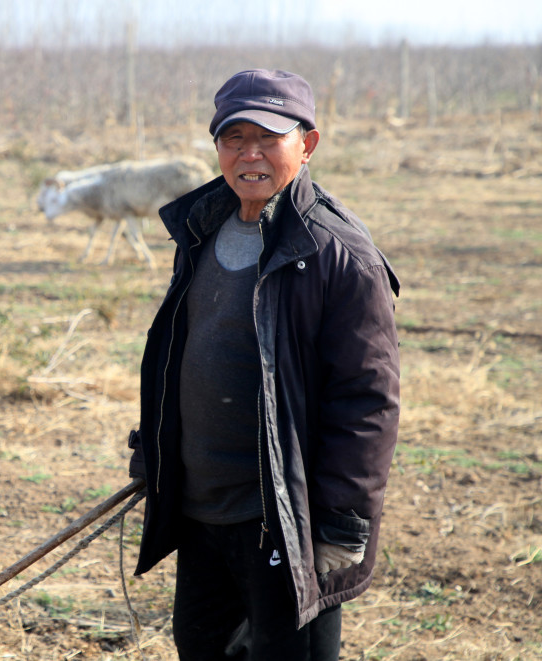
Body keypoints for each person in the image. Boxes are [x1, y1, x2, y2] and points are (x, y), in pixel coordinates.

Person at [126, 69, 401, 660]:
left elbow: (367, 399)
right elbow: (184, 353)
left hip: (287, 520)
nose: (249, 155)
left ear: (307, 144)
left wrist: (342, 522)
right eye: (234, 139)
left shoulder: (337, 255)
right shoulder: (200, 228)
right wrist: (155, 447)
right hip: (203, 514)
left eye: (268, 139)